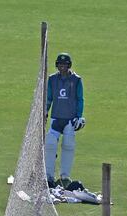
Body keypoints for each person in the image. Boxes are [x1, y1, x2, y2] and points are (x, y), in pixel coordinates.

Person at [45, 53, 85, 186]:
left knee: (68, 146)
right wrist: (45, 111)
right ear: (57, 65)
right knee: (50, 144)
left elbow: (80, 99)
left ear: (69, 65)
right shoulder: (52, 79)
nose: (62, 67)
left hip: (69, 119)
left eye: (65, 65)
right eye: (60, 65)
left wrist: (79, 116)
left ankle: (65, 177)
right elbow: (49, 98)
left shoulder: (76, 80)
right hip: (56, 118)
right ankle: (49, 176)